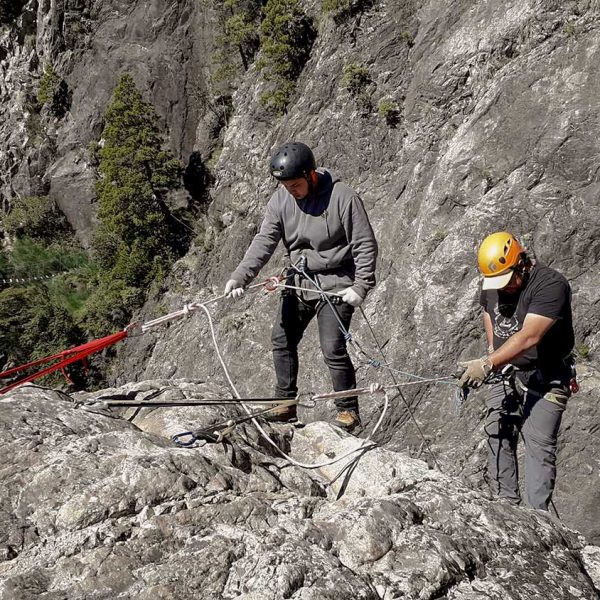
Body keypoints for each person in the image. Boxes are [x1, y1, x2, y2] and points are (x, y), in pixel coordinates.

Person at [224, 141, 378, 431]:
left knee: (332, 347)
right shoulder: (281, 201)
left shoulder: (343, 197)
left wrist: (360, 286)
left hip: (336, 283)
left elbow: (364, 243)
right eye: (286, 186)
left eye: (295, 185)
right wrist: (241, 276)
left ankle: (348, 409)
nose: (291, 191)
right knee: (281, 339)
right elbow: (265, 240)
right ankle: (284, 405)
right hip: (300, 280)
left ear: (311, 175)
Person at [458, 231, 575, 510]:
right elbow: (487, 310)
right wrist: (492, 352)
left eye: (508, 281)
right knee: (496, 431)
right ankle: (507, 506)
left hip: (547, 376)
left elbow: (529, 336)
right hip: (507, 370)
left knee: (538, 445)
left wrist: (488, 364)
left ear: (521, 263)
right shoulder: (493, 281)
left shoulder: (550, 285)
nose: (504, 288)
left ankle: (538, 519)